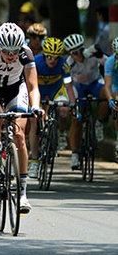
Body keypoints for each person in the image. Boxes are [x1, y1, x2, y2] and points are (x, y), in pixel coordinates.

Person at [0, 22, 41, 213]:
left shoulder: (26, 54)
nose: (11, 55)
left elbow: (32, 86)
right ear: (0, 47)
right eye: (7, 51)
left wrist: (36, 106)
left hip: (16, 89)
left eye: (15, 51)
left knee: (19, 134)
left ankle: (22, 193)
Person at [63, 33, 114, 168]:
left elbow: (110, 64)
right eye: (74, 52)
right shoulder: (68, 63)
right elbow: (67, 84)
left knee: (106, 94)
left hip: (95, 83)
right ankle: (74, 154)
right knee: (77, 119)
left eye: (79, 50)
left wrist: (100, 55)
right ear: (70, 53)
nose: (78, 54)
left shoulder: (90, 54)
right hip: (78, 87)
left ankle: (100, 122)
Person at [29, 37, 75, 175]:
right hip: (39, 90)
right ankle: (35, 162)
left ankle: (60, 133)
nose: (52, 60)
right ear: (44, 54)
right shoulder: (36, 62)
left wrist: (73, 104)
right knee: (34, 123)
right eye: (49, 56)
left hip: (56, 90)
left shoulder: (63, 64)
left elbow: (69, 86)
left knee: (64, 110)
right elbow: (29, 84)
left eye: (56, 57)